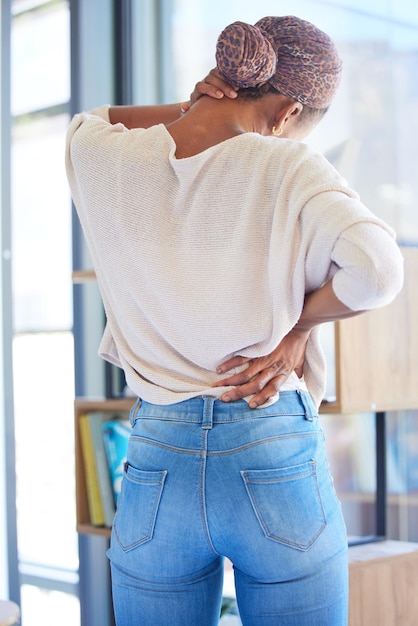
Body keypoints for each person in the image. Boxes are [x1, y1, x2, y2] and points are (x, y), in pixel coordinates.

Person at [66, 15, 404, 626]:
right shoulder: (290, 167)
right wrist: (299, 326)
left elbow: (95, 117)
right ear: (288, 115)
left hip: (156, 459)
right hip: (270, 445)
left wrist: (195, 102)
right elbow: (377, 272)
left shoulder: (98, 154)